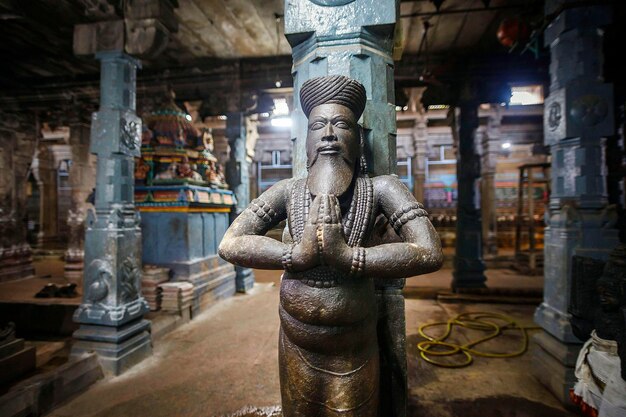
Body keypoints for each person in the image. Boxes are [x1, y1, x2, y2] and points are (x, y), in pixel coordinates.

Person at [219, 75, 442, 417]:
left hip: (353, 348)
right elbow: (230, 243)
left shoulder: (381, 189)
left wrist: (351, 258)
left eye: (342, 125)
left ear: (357, 141)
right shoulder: (287, 191)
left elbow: (429, 251)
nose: (328, 134)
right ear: (307, 142)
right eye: (318, 126)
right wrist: (296, 254)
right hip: (296, 342)